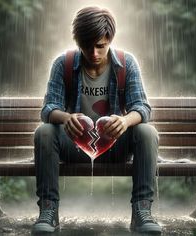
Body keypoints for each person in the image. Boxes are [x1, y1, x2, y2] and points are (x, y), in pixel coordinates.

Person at [32, 6, 162, 234]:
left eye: (100, 46)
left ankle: (142, 211)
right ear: (78, 41)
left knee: (147, 132)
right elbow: (48, 109)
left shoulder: (126, 63)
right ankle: (48, 210)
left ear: (110, 39)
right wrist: (66, 118)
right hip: (74, 147)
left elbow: (142, 108)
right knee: (44, 131)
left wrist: (124, 122)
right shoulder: (63, 64)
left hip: (114, 145)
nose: (93, 53)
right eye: (86, 46)